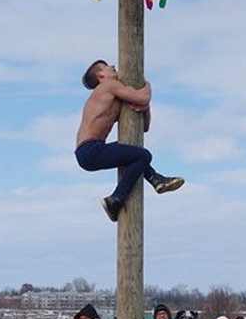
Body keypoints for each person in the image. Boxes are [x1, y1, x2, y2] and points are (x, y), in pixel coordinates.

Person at [75, 60, 184, 221]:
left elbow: (144, 126)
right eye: (108, 67)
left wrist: (145, 107)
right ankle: (115, 199)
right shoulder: (108, 86)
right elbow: (143, 97)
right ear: (101, 75)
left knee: (134, 153)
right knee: (143, 155)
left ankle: (156, 179)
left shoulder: (113, 98)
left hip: (90, 151)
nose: (113, 67)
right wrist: (146, 85)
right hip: (90, 149)